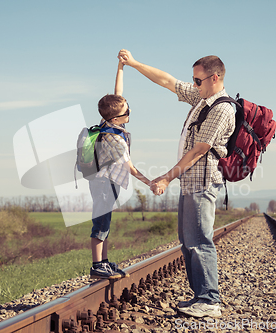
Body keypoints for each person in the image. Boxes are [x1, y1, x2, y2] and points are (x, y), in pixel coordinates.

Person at [118, 49, 235, 318]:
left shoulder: (221, 108)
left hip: (202, 182)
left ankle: (209, 301)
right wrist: (134, 64)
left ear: (214, 78)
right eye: (193, 80)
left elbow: (198, 151)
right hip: (190, 183)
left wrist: (166, 177)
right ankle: (200, 298)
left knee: (199, 241)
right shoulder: (202, 98)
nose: (193, 85)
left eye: (198, 80)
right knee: (187, 241)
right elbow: (167, 81)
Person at [89, 59, 152, 279]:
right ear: (117, 118)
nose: (130, 111)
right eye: (128, 111)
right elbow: (131, 168)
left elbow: (118, 94)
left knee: (105, 222)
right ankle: (97, 265)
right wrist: (151, 182)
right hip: (104, 183)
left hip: (105, 181)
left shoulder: (109, 122)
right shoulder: (115, 139)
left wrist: (121, 67)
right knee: (101, 223)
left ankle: (104, 262)